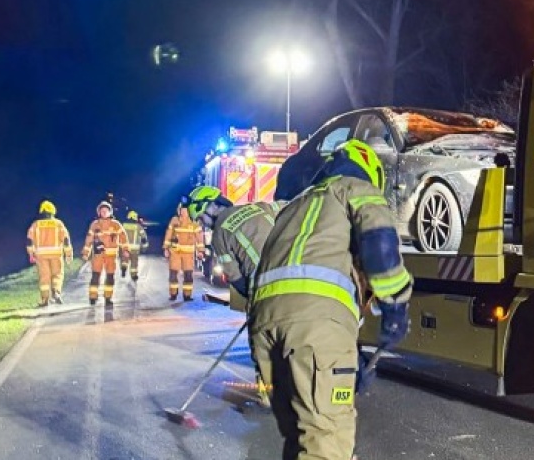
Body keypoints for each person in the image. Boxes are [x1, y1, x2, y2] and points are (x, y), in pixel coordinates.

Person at [249, 140, 412, 460]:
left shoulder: (295, 206)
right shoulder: (356, 189)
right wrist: (396, 305)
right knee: (326, 440)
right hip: (316, 327)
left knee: (299, 438)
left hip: (265, 330)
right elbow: (379, 244)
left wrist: (349, 357)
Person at [186, 185, 281, 409]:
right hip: (300, 280)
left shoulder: (220, 234)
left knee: (263, 344)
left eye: (201, 219)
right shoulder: (261, 207)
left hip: (268, 289)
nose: (202, 225)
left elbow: (235, 276)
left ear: (210, 207)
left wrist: (253, 300)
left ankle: (270, 397)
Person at [25, 199, 73, 307]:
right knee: (57, 275)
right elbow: (66, 240)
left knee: (44, 277)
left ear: (41, 211)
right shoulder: (58, 223)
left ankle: (45, 300)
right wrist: (68, 254)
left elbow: (29, 240)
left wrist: (31, 253)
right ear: (53, 211)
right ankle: (56, 292)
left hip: (41, 256)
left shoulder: (35, 224)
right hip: (56, 254)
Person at [81, 200, 130, 305]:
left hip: (111, 257)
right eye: (102, 210)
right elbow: (89, 239)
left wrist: (125, 250)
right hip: (98, 256)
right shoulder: (95, 224)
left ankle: (108, 297)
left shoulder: (116, 224)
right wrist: (85, 253)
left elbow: (123, 238)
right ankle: (93, 297)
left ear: (110, 212)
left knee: (110, 277)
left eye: (106, 210)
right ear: (99, 212)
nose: (104, 212)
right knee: (95, 276)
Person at [163, 199, 204, 301]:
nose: (183, 212)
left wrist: (200, 251)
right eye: (181, 210)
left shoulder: (194, 224)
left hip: (188, 254)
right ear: (179, 210)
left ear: (188, 211)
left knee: (188, 275)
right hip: (175, 252)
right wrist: (166, 248)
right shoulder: (174, 221)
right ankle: (173, 294)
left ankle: (187, 295)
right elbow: (168, 234)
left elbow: (199, 238)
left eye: (185, 210)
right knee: (173, 274)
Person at [121, 210, 149, 281]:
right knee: (134, 262)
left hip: (125, 247)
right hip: (135, 249)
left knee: (124, 259)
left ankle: (124, 268)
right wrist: (145, 247)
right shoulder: (138, 227)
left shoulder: (123, 225)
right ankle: (134, 275)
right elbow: (143, 237)